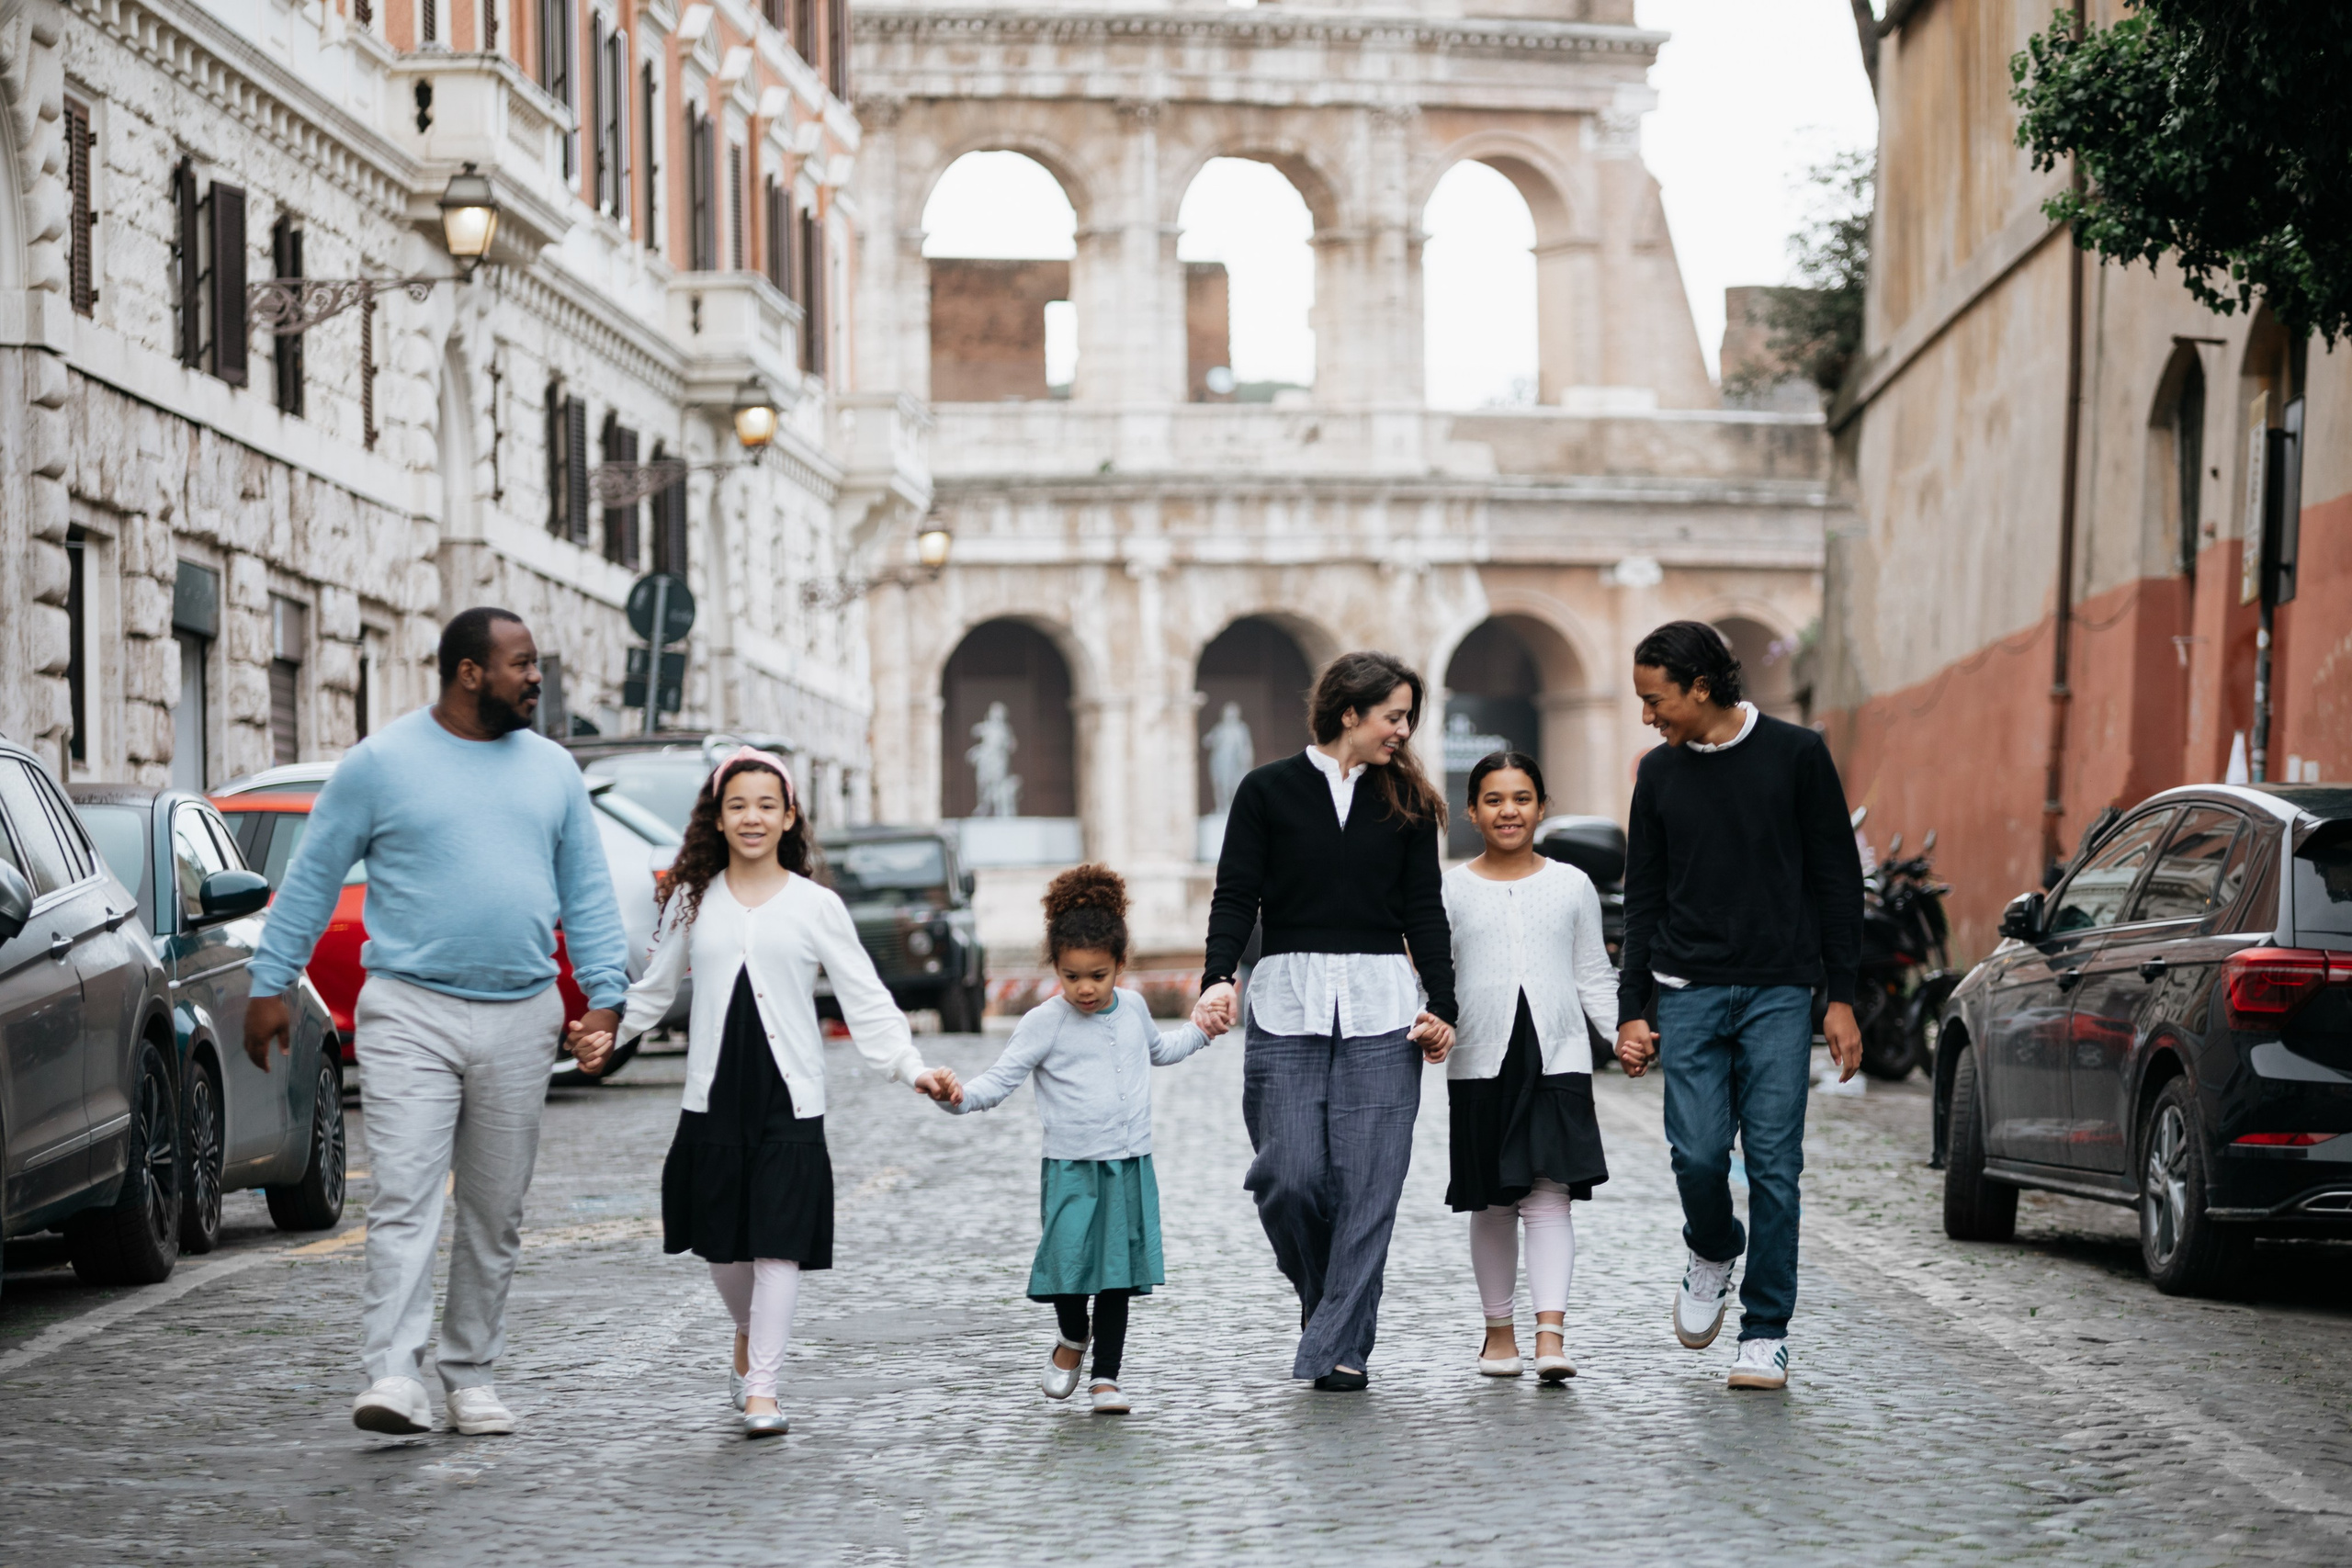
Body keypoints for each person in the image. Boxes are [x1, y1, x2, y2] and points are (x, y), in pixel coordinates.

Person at [243, 608, 631, 1438]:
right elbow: (313, 877)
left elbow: (588, 891)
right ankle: (392, 1374)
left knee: (495, 1208)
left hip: (523, 1013)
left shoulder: (554, 770)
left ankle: (470, 1375)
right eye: (522, 663)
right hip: (408, 1010)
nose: (536, 676)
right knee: (405, 1196)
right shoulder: (380, 763)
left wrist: (605, 998)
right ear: (469, 672)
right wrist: (270, 982)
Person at [568, 749, 959, 1437]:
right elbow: (654, 990)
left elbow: (866, 998)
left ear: (789, 817)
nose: (753, 817)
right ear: (718, 819)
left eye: (766, 805)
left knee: (778, 1244)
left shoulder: (817, 906)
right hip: (713, 1096)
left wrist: (911, 1066)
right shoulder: (693, 900)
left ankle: (764, 1390)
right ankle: (749, 1332)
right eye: (739, 805)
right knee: (723, 1251)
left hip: (791, 1100)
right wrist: (608, 1034)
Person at [1193, 650, 1457, 1393]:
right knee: (1290, 1176)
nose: (1403, 730)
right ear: (1349, 712)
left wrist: (1443, 1003)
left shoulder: (1409, 802)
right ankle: (1329, 1305)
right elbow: (1235, 893)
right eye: (1393, 716)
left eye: (1408, 718)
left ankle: (1340, 1345)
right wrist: (1216, 976)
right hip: (1287, 1003)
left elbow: (1424, 910)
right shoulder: (1266, 790)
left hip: (1384, 1010)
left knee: (1369, 1187)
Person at [1611, 621, 1863, 1393]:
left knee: (1776, 1165)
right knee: (1696, 1154)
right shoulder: (1658, 773)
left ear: (1701, 686)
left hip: (1779, 991)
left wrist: (1842, 996)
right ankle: (1714, 1245)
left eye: (1655, 700)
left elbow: (1837, 879)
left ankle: (1765, 1331)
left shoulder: (1798, 754)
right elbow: (1643, 894)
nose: (1647, 715)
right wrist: (1632, 1007)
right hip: (1686, 990)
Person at [938, 865, 1220, 1415]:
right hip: (1071, 1168)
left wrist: (1202, 1031)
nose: (1085, 988)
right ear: (1056, 969)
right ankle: (1072, 1333)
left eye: (1097, 975)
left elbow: (1160, 1050)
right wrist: (957, 1096)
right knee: (1067, 1266)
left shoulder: (1133, 1008)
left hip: (1127, 1165)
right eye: (1071, 976)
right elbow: (1000, 1080)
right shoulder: (1044, 1022)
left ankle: (1106, 1378)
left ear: (1120, 965)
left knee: (1117, 1276)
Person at [1442, 751, 1616, 1383]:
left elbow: (1592, 972)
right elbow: (1435, 978)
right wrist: (1429, 1024)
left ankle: (1550, 1335)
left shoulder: (1572, 884)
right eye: (1493, 799)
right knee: (1492, 1201)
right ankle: (1498, 1334)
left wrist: (1621, 1033)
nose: (1508, 811)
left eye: (1521, 798)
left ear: (1542, 807)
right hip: (1479, 1059)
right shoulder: (1450, 889)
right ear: (1472, 811)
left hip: (1558, 1055)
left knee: (1549, 1196)